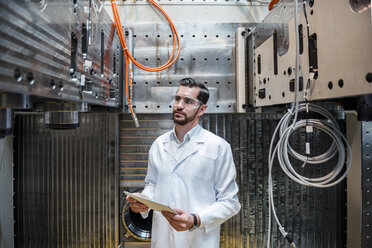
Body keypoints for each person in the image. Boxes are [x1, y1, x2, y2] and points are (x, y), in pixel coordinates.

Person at [127, 78, 241, 248]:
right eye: (177, 99)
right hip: (162, 240)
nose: (179, 105)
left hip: (198, 241)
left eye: (188, 101)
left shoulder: (217, 147)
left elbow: (230, 202)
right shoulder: (159, 144)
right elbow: (152, 185)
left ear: (202, 109)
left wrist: (195, 220)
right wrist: (144, 200)